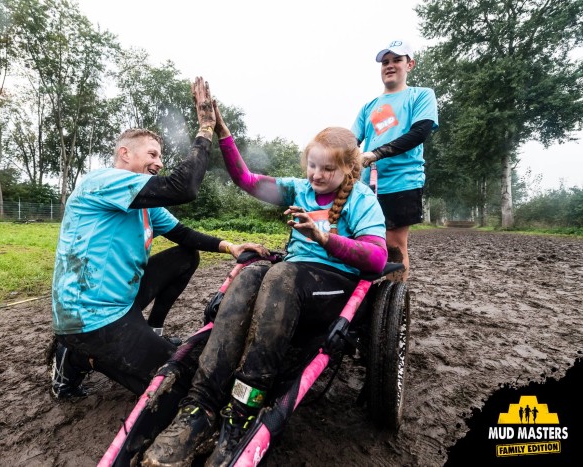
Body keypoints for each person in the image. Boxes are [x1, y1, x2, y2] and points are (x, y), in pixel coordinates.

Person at [142, 104, 387, 466]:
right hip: (289, 278)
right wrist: (223, 132)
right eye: (312, 165)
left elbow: (378, 259)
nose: (316, 175)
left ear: (348, 169)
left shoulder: (362, 199)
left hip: (334, 284)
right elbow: (246, 180)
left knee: (281, 276)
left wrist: (324, 239)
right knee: (251, 274)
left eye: (327, 169)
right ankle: (200, 407)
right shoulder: (300, 189)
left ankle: (242, 411)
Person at [50, 77, 268, 399]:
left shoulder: (144, 203)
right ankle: (76, 355)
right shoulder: (103, 182)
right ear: (125, 154)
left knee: (186, 256)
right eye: (152, 154)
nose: (160, 162)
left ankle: (152, 330)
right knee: (178, 385)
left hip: (121, 302)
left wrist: (229, 246)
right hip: (89, 316)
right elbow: (184, 187)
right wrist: (206, 127)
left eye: (161, 156)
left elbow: (182, 234)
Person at [351, 39, 439, 281]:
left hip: (403, 181)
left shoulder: (421, 95)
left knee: (394, 245)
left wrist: (376, 153)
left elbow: (419, 132)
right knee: (360, 241)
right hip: (368, 185)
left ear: (410, 64)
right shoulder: (369, 107)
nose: (389, 65)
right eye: (385, 62)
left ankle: (394, 296)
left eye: (397, 60)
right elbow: (350, 141)